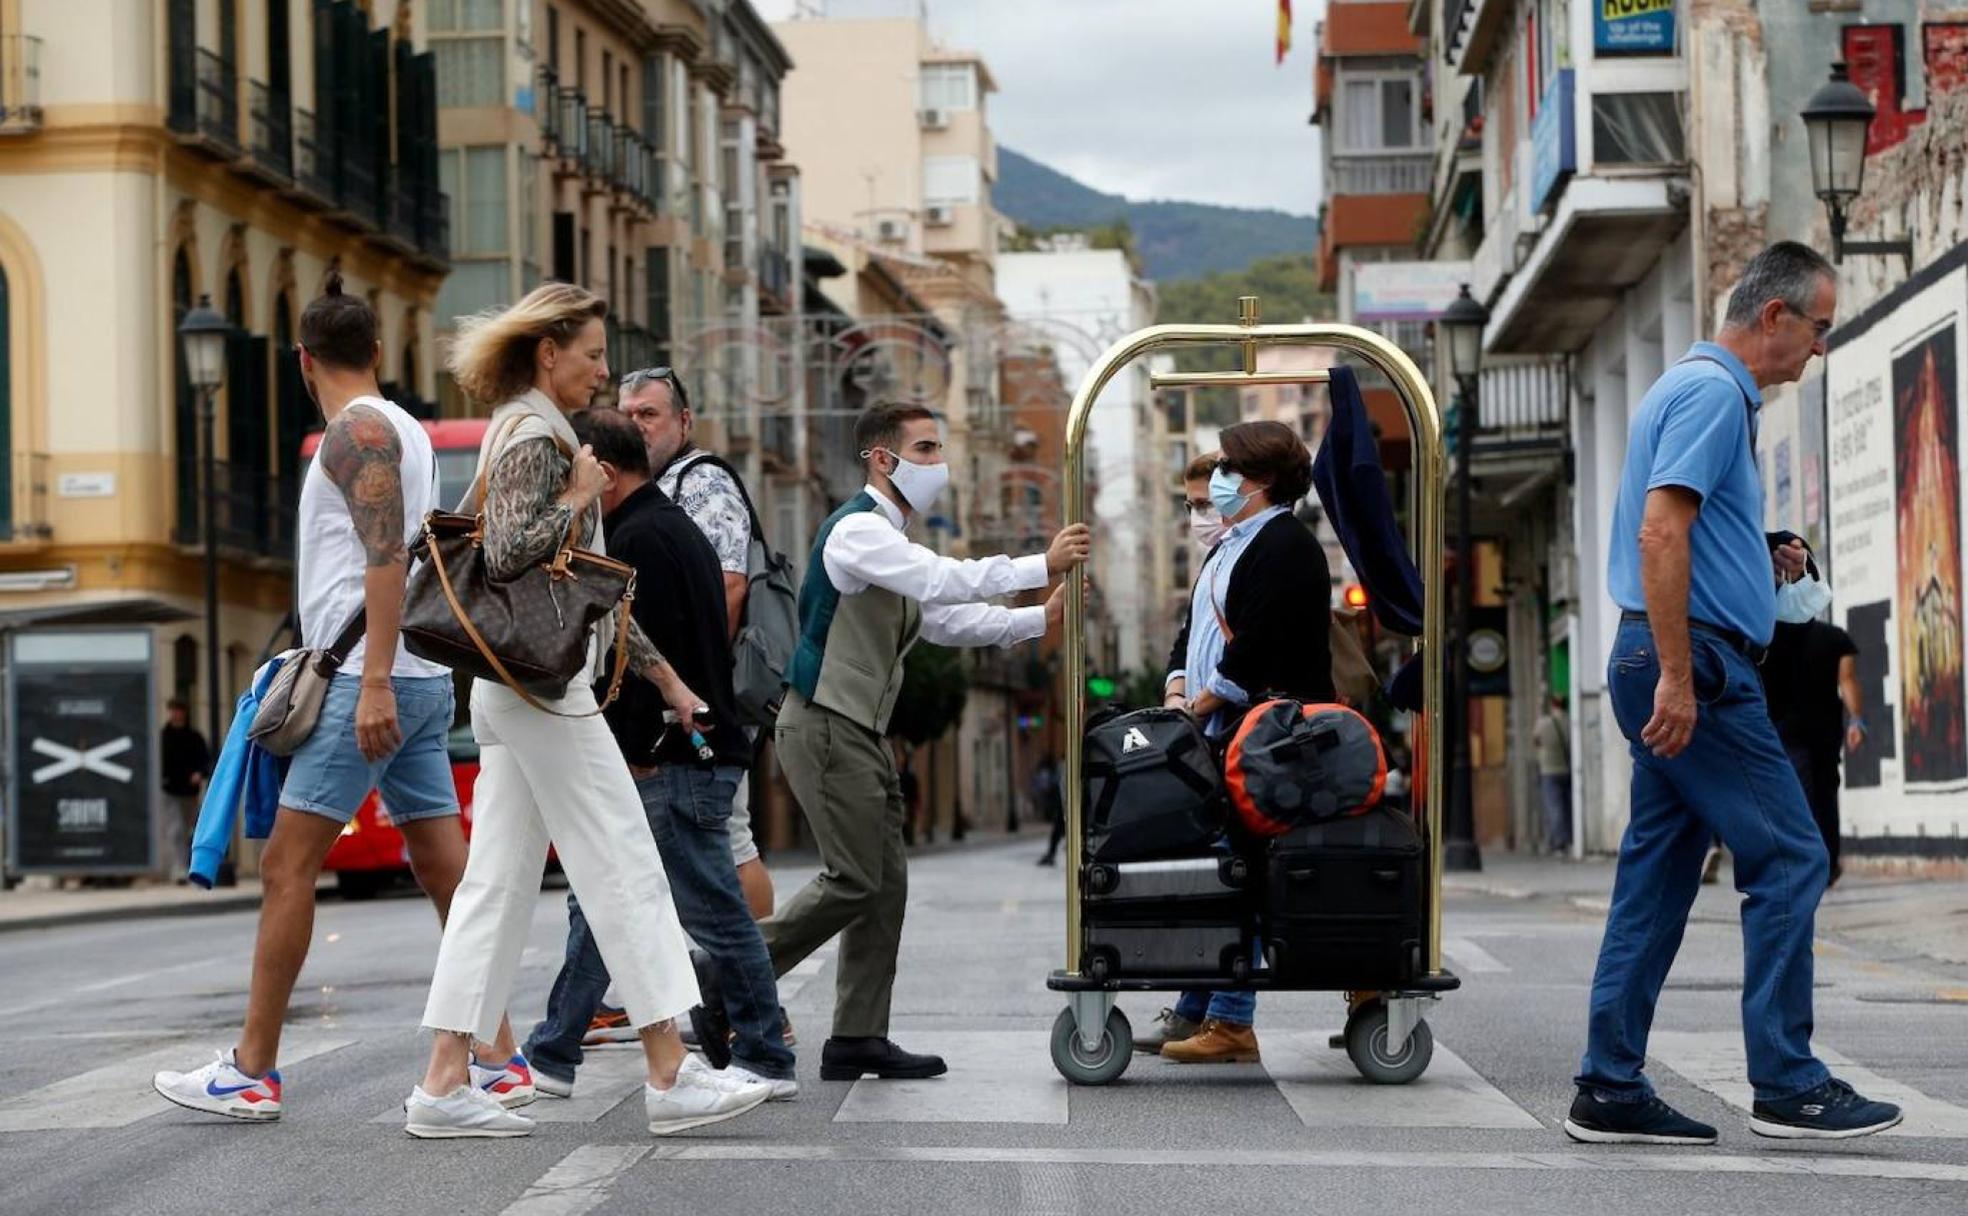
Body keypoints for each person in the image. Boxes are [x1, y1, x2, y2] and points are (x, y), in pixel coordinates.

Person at [154, 274, 526, 1122]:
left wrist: (377, 683)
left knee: (288, 867)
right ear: (378, 353)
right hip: (420, 679)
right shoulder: (405, 428)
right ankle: (501, 1055)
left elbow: (386, 558)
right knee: (444, 869)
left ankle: (253, 1069)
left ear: (302, 359)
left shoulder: (355, 433)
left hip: (371, 679)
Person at [405, 282, 770, 1139]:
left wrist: (668, 681)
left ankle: (443, 1082)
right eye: (593, 354)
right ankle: (670, 1072)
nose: (603, 373)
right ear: (548, 353)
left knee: (493, 887)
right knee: (626, 862)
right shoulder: (537, 435)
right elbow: (506, 553)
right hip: (544, 696)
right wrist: (576, 492)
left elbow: (586, 595)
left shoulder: (534, 428)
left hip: (520, 692)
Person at [1567, 241, 1901, 1146]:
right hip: (1697, 669)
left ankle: (1609, 1083)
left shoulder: (1685, 386)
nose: (1820, 349)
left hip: (1668, 657)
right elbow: (1660, 532)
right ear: (1773, 317)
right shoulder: (1717, 394)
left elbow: (1690, 533)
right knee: (1791, 859)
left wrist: (1760, 552)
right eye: (1818, 328)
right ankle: (1790, 1082)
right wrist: (1680, 673)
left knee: (1657, 878)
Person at [742, 403, 1088, 1081]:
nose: (939, 464)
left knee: (886, 888)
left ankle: (857, 1037)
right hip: (824, 722)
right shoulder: (858, 533)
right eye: (926, 449)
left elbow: (941, 618)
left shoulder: (889, 542)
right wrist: (1035, 564)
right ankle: (728, 973)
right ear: (881, 458)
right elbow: (937, 579)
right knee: (854, 879)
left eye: (938, 449)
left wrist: (1032, 620)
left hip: (860, 730)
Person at [522, 408, 795, 1101]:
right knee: (601, 901)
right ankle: (553, 1049)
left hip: (671, 759)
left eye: (575, 474)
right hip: (683, 753)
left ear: (604, 472)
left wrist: (641, 749)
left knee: (711, 913)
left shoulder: (638, 538)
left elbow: (639, 653)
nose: (567, 491)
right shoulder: (670, 527)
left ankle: (765, 1052)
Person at [1138, 432, 1333, 1064]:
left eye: (1228, 467)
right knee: (1222, 869)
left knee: (1240, 871)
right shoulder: (1232, 546)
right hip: (1221, 732)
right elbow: (1193, 632)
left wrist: (1201, 704)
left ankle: (1232, 1019)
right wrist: (1175, 688)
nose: (1219, 477)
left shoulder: (1285, 545)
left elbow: (1256, 646)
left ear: (1260, 480)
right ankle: (1198, 1008)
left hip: (1266, 739)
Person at [615, 367, 776, 923]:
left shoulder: (702, 483)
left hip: (704, 703)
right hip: (680, 701)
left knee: (729, 840)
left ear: (683, 421)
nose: (637, 426)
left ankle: (757, 971)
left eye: (649, 414)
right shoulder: (653, 489)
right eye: (628, 414)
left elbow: (728, 588)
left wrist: (696, 688)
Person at [1760, 617, 1863, 888]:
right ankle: (1828, 864)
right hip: (1825, 730)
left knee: (1799, 794)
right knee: (1826, 793)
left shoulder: (1768, 637)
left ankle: (1805, 861)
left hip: (1786, 729)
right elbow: (1848, 678)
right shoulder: (1835, 637)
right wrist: (1856, 720)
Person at [158, 698, 209, 883]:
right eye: (172, 710)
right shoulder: (163, 737)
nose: (175, 714)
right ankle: (178, 868)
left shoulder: (194, 737)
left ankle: (189, 865)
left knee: (189, 830)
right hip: (169, 789)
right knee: (175, 829)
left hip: (190, 791)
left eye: (178, 710)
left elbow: (205, 760)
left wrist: (199, 774)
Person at [1534, 695, 1573, 854]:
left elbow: (1536, 741)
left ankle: (1558, 843)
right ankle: (1569, 838)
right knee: (1567, 806)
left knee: (1554, 807)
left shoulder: (1543, 723)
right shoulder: (1570, 721)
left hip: (1548, 770)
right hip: (1566, 768)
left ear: (1553, 705)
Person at [1033, 756, 1065, 866]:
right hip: (1064, 803)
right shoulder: (1061, 768)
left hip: (1067, 803)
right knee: (1057, 831)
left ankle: (1051, 854)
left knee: (1058, 831)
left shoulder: (1062, 767)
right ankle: (1051, 854)